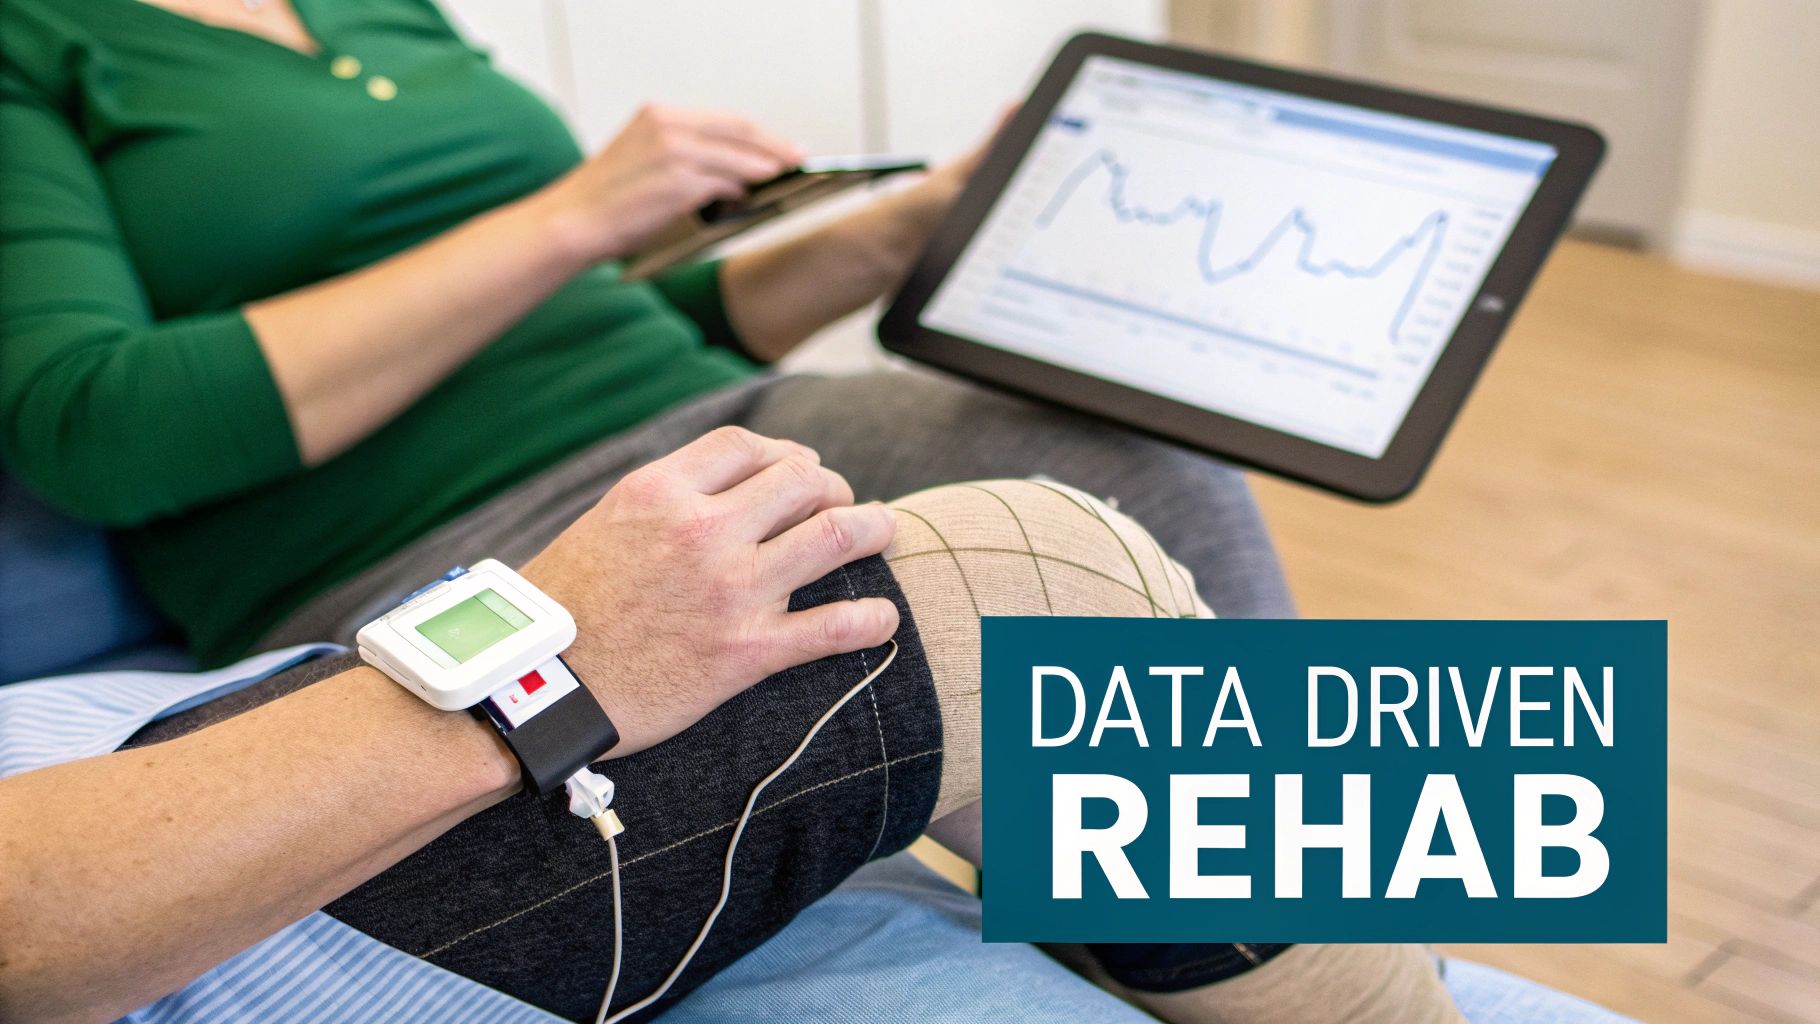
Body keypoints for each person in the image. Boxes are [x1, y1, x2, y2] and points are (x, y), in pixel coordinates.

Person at [0, 0, 1461, 1020]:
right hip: (423, 530)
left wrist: (898, 233)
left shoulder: (377, 10)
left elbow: (603, 316)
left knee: (1142, 463)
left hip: (699, 411)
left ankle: (1269, 924)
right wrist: (573, 212)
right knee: (1012, 579)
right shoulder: (38, 42)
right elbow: (94, 431)